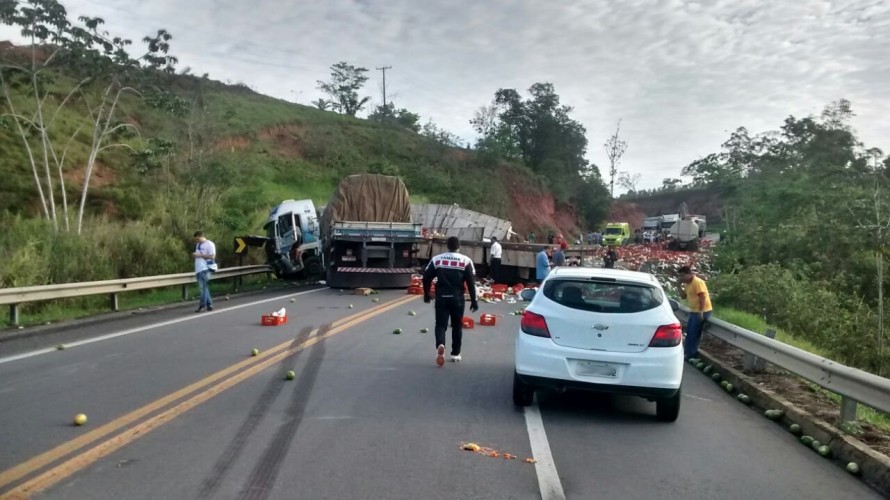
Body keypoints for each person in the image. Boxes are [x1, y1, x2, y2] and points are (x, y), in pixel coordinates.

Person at [423, 236, 478, 366]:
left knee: (441, 325)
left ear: (447, 246)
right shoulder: (465, 261)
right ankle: (455, 354)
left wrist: (426, 294)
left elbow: (426, 277)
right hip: (458, 298)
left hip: (442, 297)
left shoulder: (437, 259)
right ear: (459, 247)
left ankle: (441, 344)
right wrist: (474, 300)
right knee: (457, 325)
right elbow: (471, 282)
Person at [678, 265, 713, 361]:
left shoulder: (697, 282)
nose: (682, 278)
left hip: (702, 311)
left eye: (683, 275)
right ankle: (687, 352)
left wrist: (701, 312)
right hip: (694, 311)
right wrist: (678, 286)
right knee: (689, 332)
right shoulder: (687, 283)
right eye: (680, 276)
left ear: (689, 274)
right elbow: (683, 296)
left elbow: (702, 297)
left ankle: (691, 354)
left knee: (694, 333)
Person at [192, 231, 217, 313]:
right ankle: (209, 305)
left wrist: (200, 255)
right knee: (205, 288)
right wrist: (195, 255)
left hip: (205, 269)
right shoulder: (198, 245)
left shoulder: (210, 244)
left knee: (202, 289)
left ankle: (202, 305)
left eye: (198, 239)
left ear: (201, 236)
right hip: (198, 269)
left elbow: (212, 256)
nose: (197, 240)